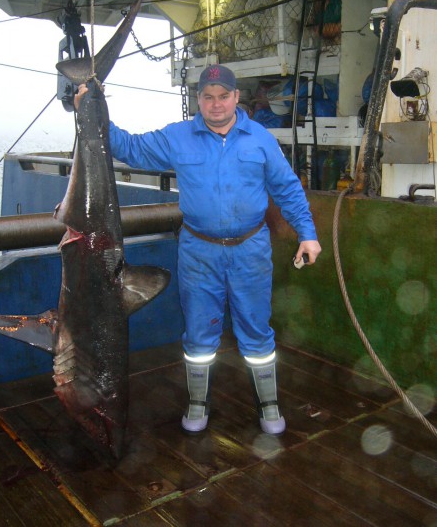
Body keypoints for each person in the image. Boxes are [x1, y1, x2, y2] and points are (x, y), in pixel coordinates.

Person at [75, 64, 321, 436]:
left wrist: (308, 233)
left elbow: (287, 189)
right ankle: (198, 401)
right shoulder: (178, 137)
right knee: (199, 333)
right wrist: (90, 109)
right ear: (198, 100)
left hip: (251, 250)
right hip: (198, 252)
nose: (216, 104)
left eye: (223, 96)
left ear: (236, 98)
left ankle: (268, 403)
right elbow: (128, 148)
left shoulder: (261, 139)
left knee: (256, 330)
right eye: (208, 97)